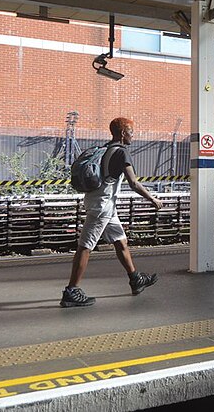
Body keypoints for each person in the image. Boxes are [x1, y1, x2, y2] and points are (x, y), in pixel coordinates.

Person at [60, 117, 164, 308]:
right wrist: (153, 199)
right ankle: (71, 291)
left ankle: (135, 279)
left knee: (120, 241)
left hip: (105, 205)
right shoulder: (121, 152)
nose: (134, 135)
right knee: (85, 246)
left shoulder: (106, 148)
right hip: (102, 207)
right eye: (132, 132)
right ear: (123, 133)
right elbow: (133, 183)